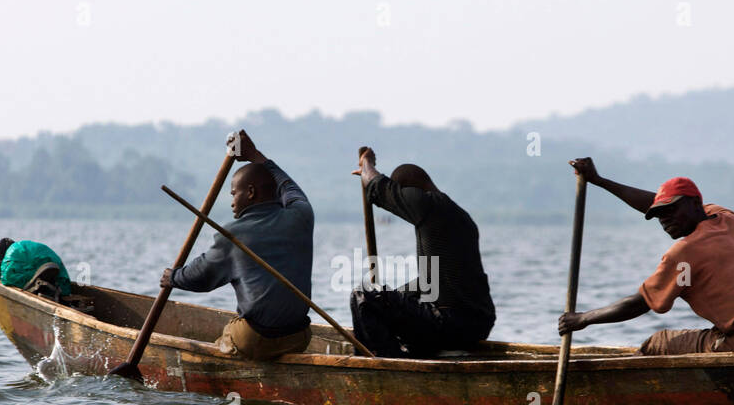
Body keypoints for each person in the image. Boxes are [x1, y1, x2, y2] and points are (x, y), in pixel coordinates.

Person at [557, 159, 734, 355]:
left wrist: (582, 319)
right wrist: (599, 181)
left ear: (696, 204)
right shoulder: (727, 219)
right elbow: (655, 204)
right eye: (660, 215)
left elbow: (640, 303)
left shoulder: (684, 253)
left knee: (657, 343)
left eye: (672, 211)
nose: (666, 220)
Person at [163, 130, 314, 360]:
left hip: (256, 340)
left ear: (251, 192)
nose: (232, 202)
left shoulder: (233, 235)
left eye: (234, 193)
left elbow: (202, 276)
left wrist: (173, 277)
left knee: (227, 337)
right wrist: (255, 155)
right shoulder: (302, 215)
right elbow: (287, 185)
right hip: (299, 338)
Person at [350, 147, 496, 357]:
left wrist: (367, 164)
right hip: (475, 326)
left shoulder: (428, 204)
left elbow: (377, 187)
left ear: (411, 192)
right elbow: (431, 281)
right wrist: (390, 301)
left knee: (363, 295)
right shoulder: (458, 217)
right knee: (378, 300)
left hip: (450, 323)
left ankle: (385, 366)